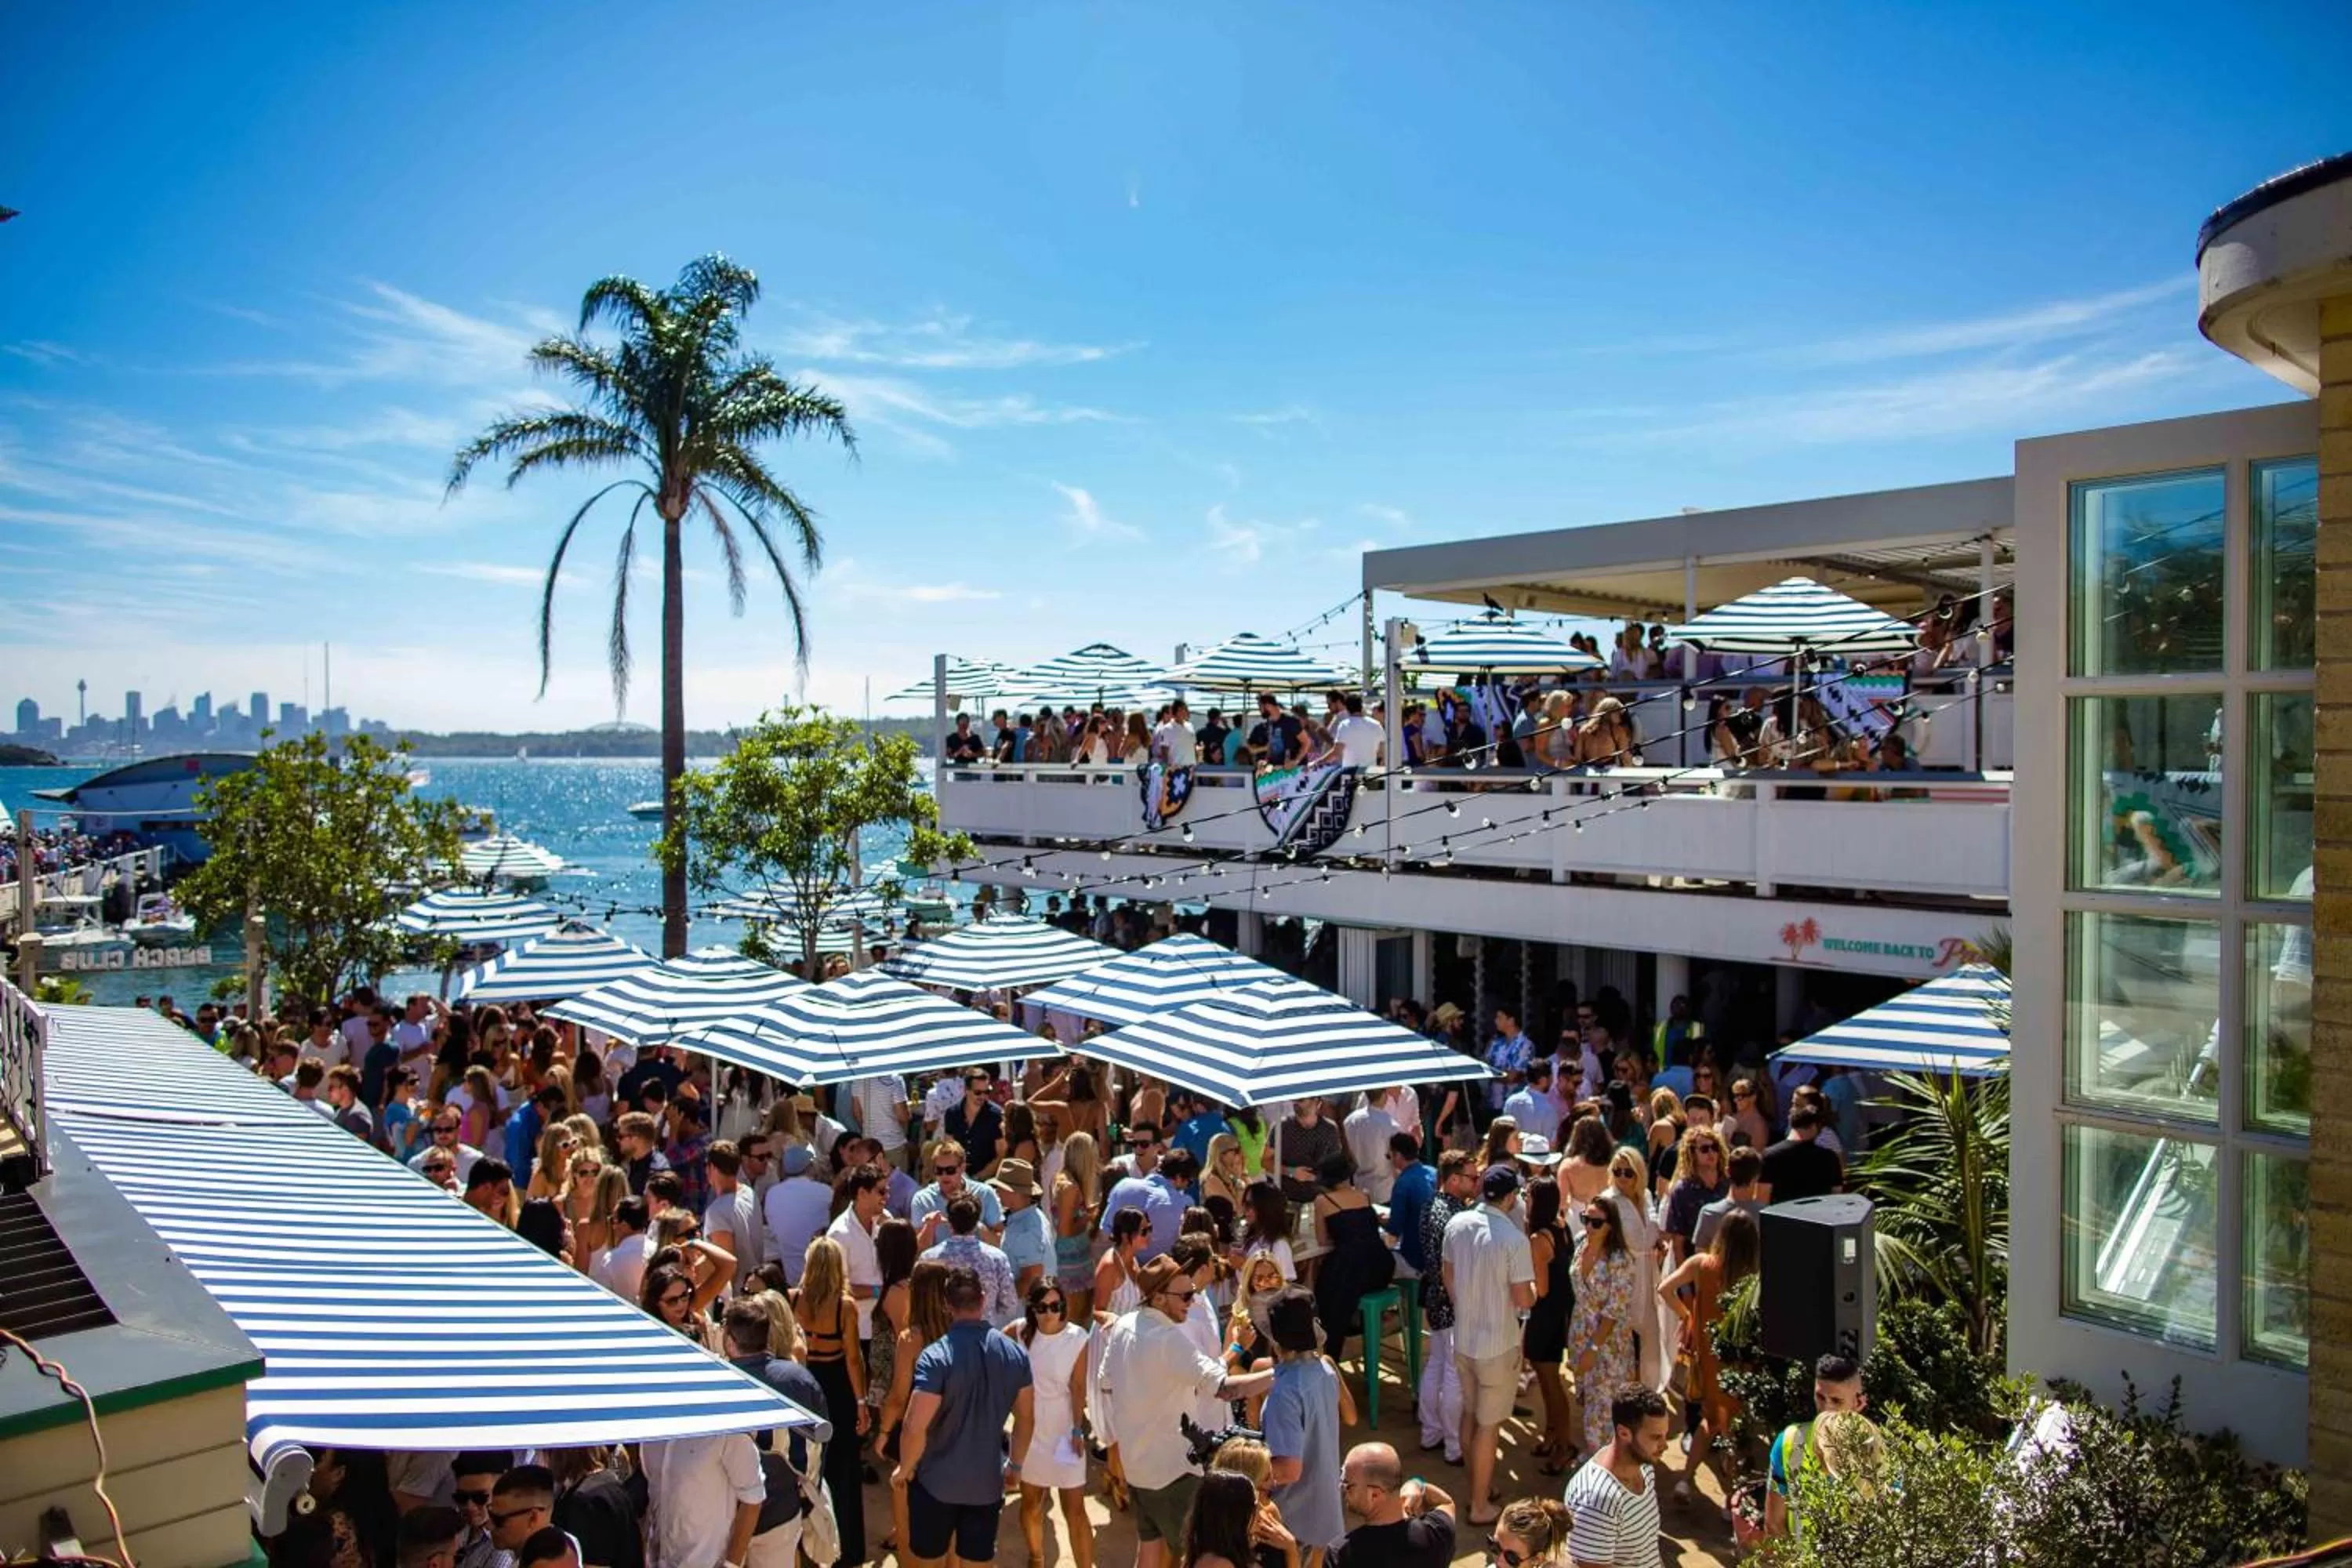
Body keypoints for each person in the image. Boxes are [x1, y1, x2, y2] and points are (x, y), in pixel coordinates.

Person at [1095, 1256, 1280, 1568]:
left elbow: (1106, 1382)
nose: (1192, 1303)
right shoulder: (1168, 1340)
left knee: (1149, 1551)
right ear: (1157, 1298)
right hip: (1173, 1474)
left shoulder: (1124, 1324)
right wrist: (1281, 1374)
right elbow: (1224, 1388)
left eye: (1192, 1294)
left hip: (1137, 1466)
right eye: (1184, 1296)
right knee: (1197, 1557)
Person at [897, 1265, 1036, 1568]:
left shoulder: (935, 1357)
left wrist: (905, 1468)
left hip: (934, 1484)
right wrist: (1016, 1465)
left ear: (946, 1304)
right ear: (983, 1299)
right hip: (986, 1485)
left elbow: (914, 1425)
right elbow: (1026, 1419)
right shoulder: (1015, 1354)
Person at [1441, 1164, 1536, 1527]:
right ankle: (1479, 1504)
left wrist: (1468, 1304)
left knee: (1471, 1415)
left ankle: (1480, 1489)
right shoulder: (1514, 1239)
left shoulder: (1457, 1224)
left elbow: (1449, 1277)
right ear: (1510, 1197)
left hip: (1464, 1339)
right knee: (1487, 1424)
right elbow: (1523, 1298)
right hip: (1497, 1345)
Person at [1657, 1207, 1759, 1504]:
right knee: (1734, 1431)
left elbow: (1665, 1289)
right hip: (1740, 1363)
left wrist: (1688, 1317)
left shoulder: (1702, 1264)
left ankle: (1686, 1481)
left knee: (1708, 1420)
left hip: (1707, 1358)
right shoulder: (1754, 1277)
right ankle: (1733, 1498)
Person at [793, 1236, 870, 1565]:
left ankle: (808, 1546)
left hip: (807, 1384)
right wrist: (862, 1403)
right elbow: (853, 1359)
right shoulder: (845, 1306)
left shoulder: (794, 1298)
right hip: (838, 1388)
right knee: (845, 1472)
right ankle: (848, 1551)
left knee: (809, 1469)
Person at [1012, 1279, 1095, 1568]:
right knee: (1032, 1502)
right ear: (1032, 1309)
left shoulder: (1077, 1338)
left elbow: (1077, 1387)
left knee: (1075, 1509)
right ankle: (1036, 1558)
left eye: (1056, 1306)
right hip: (1029, 1430)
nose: (1050, 1312)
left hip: (1063, 1432)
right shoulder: (1019, 1332)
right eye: (1043, 1307)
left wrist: (1076, 1429)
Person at [1261, 1289, 1347, 1567]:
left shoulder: (1284, 1391)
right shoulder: (1325, 1372)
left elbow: (1289, 1470)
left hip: (1290, 1525)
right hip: (1325, 1517)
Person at [1763, 1352, 1871, 1540]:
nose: (1826, 1408)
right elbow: (1774, 1525)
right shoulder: (1789, 1442)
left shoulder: (1877, 1452)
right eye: (1820, 1397)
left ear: (1859, 1402)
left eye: (1836, 1401)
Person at [1414, 1149, 1477, 1464]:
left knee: (1436, 1364)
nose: (1476, 1183)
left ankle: (1431, 1433)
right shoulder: (1457, 1217)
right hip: (1453, 1300)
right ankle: (1454, 1446)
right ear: (1454, 1179)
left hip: (1435, 1298)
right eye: (1471, 1178)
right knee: (1452, 1373)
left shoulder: (1430, 1206)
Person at [1563, 1386, 1670, 1568]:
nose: (1665, 1446)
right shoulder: (1598, 1502)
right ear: (1624, 1433)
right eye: (1655, 1437)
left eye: (1665, 1436)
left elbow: (1647, 1549)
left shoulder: (1645, 1467)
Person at [1569, 1195, 1639, 1458]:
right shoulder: (1579, 1244)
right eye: (1585, 1219)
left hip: (1609, 1344)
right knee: (1589, 1399)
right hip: (1580, 1333)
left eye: (1596, 1222)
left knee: (1607, 1404)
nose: (1588, 1227)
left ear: (1611, 1225)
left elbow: (1614, 1310)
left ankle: (1607, 1464)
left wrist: (1593, 1348)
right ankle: (1596, 1456)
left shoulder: (1620, 1259)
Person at [1309, 1152, 1394, 1359]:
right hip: (1380, 1265)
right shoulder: (1363, 1195)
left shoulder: (1323, 1201)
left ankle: (1330, 1354)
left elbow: (1322, 1241)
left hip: (1352, 1266)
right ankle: (1361, 1323)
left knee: (1324, 1293)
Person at [1521, 1176, 1577, 1476]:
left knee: (1551, 1385)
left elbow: (1539, 1290)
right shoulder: (1562, 1227)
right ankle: (1552, 1435)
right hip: (1560, 1314)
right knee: (1547, 1382)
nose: (1524, 1200)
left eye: (1528, 1196)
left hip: (1544, 1316)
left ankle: (1564, 1446)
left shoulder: (1538, 1239)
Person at [1325, 1443, 1453, 1568]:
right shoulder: (1437, 1533)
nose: (1342, 1488)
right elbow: (1446, 1503)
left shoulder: (1340, 1553)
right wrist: (1418, 1485)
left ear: (1374, 1495)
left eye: (1347, 1485)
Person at [920, 1192, 1022, 1327]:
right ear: (976, 1224)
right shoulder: (997, 1258)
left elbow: (922, 1304)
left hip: (942, 1337)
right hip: (985, 1336)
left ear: (949, 1221)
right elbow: (1010, 1305)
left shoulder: (929, 1259)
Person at [1102, 1142, 1195, 1261]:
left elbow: (1105, 1231)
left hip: (1120, 1268)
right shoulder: (1185, 1204)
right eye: (1189, 1182)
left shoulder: (1123, 1186)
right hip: (1160, 1274)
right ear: (1179, 1177)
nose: (1187, 1187)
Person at [1177, 1469, 1272, 1568]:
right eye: (1254, 1505)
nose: (1260, 1509)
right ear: (1235, 1515)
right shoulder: (1218, 1565)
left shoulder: (1218, 1558)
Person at [1759, 1104, 1844, 1203]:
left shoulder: (1769, 1155)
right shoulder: (1829, 1158)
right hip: (1818, 1216)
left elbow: (1762, 1198)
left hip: (1781, 1216)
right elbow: (1836, 1195)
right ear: (1813, 1127)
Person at [1691, 1145, 1765, 1254]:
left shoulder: (1709, 1213)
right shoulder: (1766, 1216)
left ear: (1727, 1172)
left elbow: (1701, 1256)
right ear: (1757, 1176)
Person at [1381, 1133, 1436, 1274]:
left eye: (1390, 1156)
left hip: (1415, 1258)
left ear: (1398, 1155)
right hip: (1436, 1253)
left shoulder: (1403, 1184)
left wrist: (1381, 1221)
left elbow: (1395, 1229)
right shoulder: (1434, 1173)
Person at [1274, 1098, 1341, 1207]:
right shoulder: (1282, 1127)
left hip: (1320, 1201)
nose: (1296, 1103)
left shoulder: (1330, 1129)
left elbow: (1337, 1168)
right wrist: (1290, 1172)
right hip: (1287, 1201)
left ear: (1317, 1101)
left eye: (1301, 1100)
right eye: (1294, 1099)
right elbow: (1265, 1161)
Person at [1340, 1092, 1398, 1203]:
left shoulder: (1350, 1121)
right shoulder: (1391, 1125)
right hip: (1384, 1192)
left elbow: (1345, 1151)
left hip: (1358, 1188)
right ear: (1384, 1096)